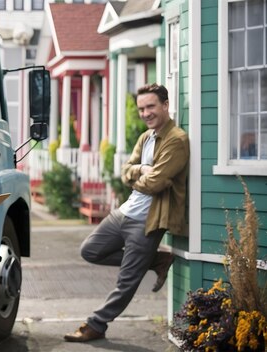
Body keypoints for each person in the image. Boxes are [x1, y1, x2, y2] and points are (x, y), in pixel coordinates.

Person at [64, 83, 189, 343]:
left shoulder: (176, 140)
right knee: (90, 250)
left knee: (126, 282)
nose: (145, 113)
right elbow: (125, 171)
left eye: (151, 106)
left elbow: (156, 183)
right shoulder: (146, 137)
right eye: (141, 108)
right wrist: (140, 171)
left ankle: (96, 324)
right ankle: (154, 260)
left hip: (148, 221)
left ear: (165, 105)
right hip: (124, 212)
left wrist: (138, 174)